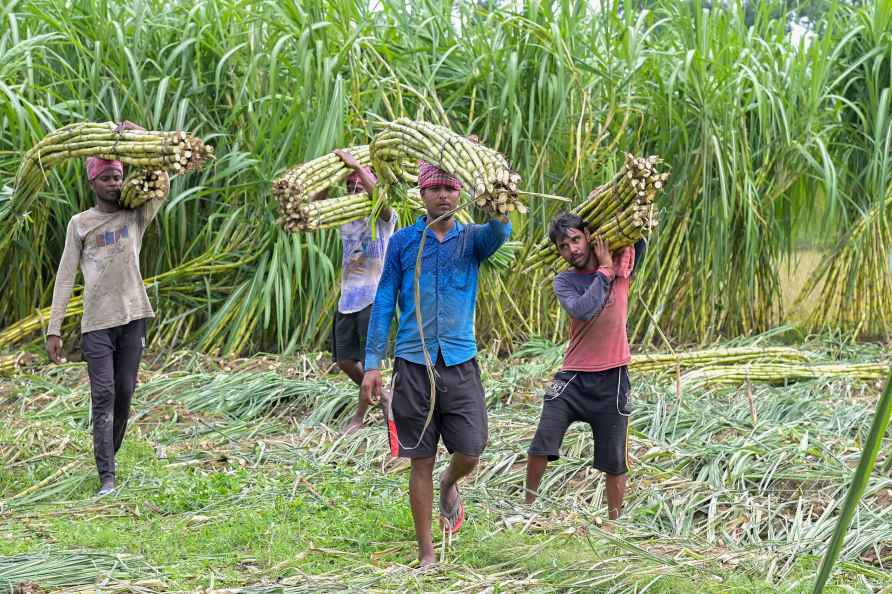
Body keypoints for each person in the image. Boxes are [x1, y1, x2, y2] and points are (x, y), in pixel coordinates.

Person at [361, 161, 511, 566]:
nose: (443, 195)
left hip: (459, 360)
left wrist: (494, 185)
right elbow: (384, 302)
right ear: (422, 196)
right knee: (420, 457)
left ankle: (451, 482)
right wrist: (372, 362)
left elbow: (501, 229)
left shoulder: (474, 240)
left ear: (461, 194)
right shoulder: (405, 243)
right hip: (413, 362)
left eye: (450, 188)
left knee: (471, 450)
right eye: (435, 189)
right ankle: (427, 551)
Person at [46, 122, 169, 496]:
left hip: (133, 317)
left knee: (125, 392)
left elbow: (163, 178)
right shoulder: (80, 224)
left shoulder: (136, 214)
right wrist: (53, 328)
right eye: (108, 178)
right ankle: (107, 477)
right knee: (102, 395)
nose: (115, 183)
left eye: (119, 176)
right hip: (96, 324)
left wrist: (143, 136)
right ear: (93, 182)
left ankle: (108, 453)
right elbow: (65, 276)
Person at [524, 212, 646, 520]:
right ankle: (527, 507)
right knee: (542, 441)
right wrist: (604, 272)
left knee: (614, 457)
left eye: (576, 240)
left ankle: (613, 524)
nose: (572, 250)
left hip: (613, 377)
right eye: (564, 246)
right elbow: (584, 309)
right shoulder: (565, 281)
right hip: (573, 377)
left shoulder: (622, 267)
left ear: (589, 237)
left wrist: (629, 213)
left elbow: (640, 237)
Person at [325, 149, 396, 435]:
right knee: (343, 359)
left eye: (360, 184)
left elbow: (383, 203)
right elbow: (313, 206)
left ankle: (358, 418)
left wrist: (358, 167)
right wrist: (332, 174)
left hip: (374, 297)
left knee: (370, 363)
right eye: (350, 185)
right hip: (347, 298)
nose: (355, 189)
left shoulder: (384, 218)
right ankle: (386, 398)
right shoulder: (344, 216)